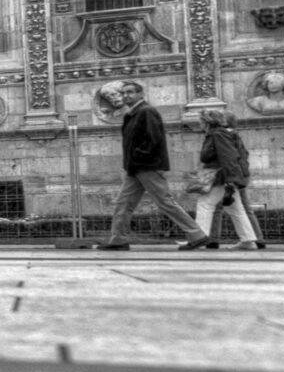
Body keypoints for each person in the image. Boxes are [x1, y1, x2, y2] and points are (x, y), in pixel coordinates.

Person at [99, 85, 215, 251]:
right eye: (123, 93)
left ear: (140, 94)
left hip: (147, 166)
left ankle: (197, 235)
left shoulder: (146, 111)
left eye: (130, 92)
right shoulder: (133, 113)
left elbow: (152, 139)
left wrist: (138, 156)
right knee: (123, 203)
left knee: (165, 202)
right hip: (136, 168)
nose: (125, 96)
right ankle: (118, 239)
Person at [194, 105, 264, 250]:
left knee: (205, 205)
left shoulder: (217, 134)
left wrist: (231, 181)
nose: (199, 124)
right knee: (236, 208)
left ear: (207, 122)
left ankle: (198, 239)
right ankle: (248, 240)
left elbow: (228, 158)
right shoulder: (222, 133)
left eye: (200, 121)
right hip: (227, 177)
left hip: (220, 177)